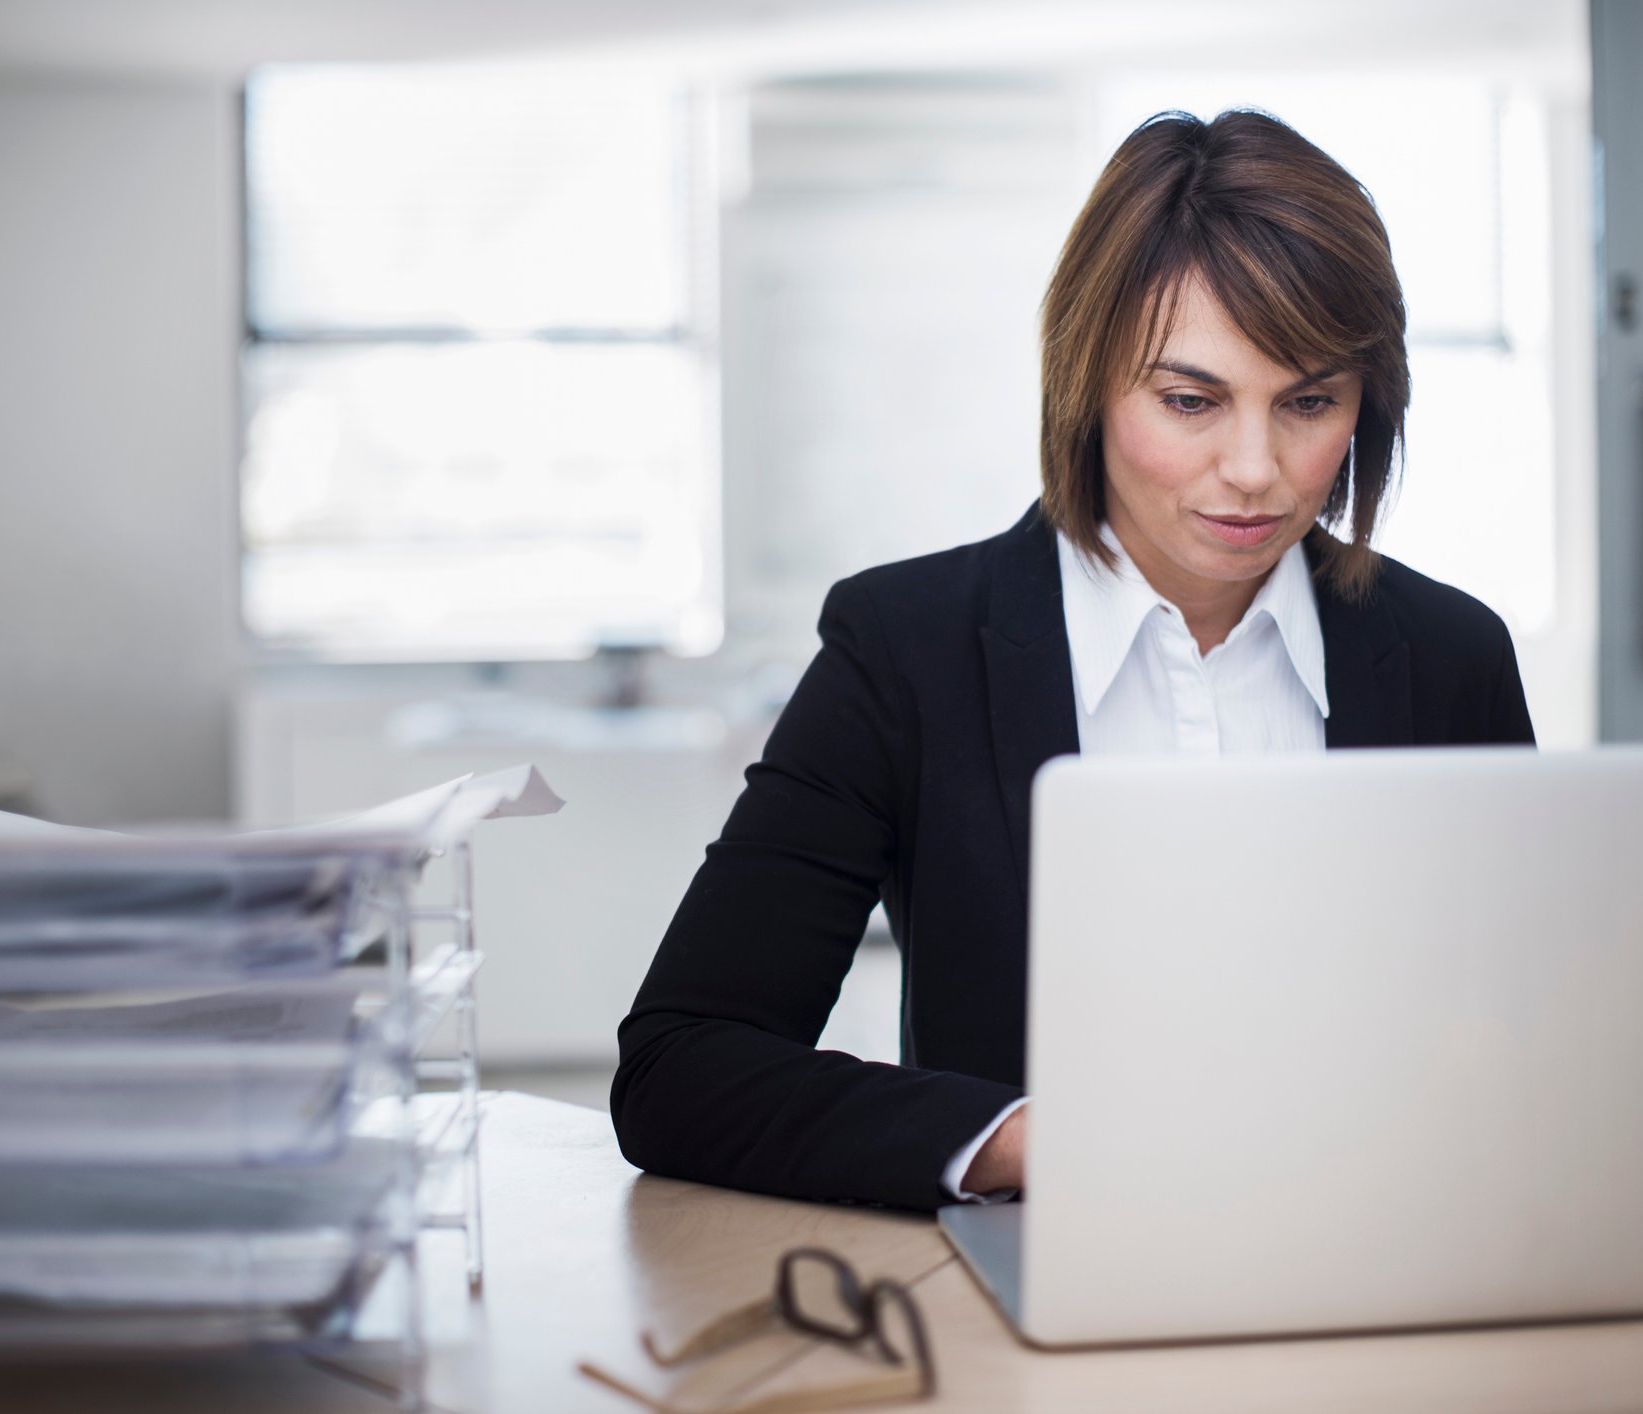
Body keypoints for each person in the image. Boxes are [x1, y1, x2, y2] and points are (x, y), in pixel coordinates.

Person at [611, 108, 1535, 1213]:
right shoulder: (904, 650)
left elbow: (1527, 1032)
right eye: (1189, 400)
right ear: (1086, 379)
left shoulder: (1448, 656)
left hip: (1384, 1256)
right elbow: (681, 1068)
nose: (1253, 468)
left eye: (1308, 402)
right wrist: (1023, 1142)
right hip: (1043, 1294)